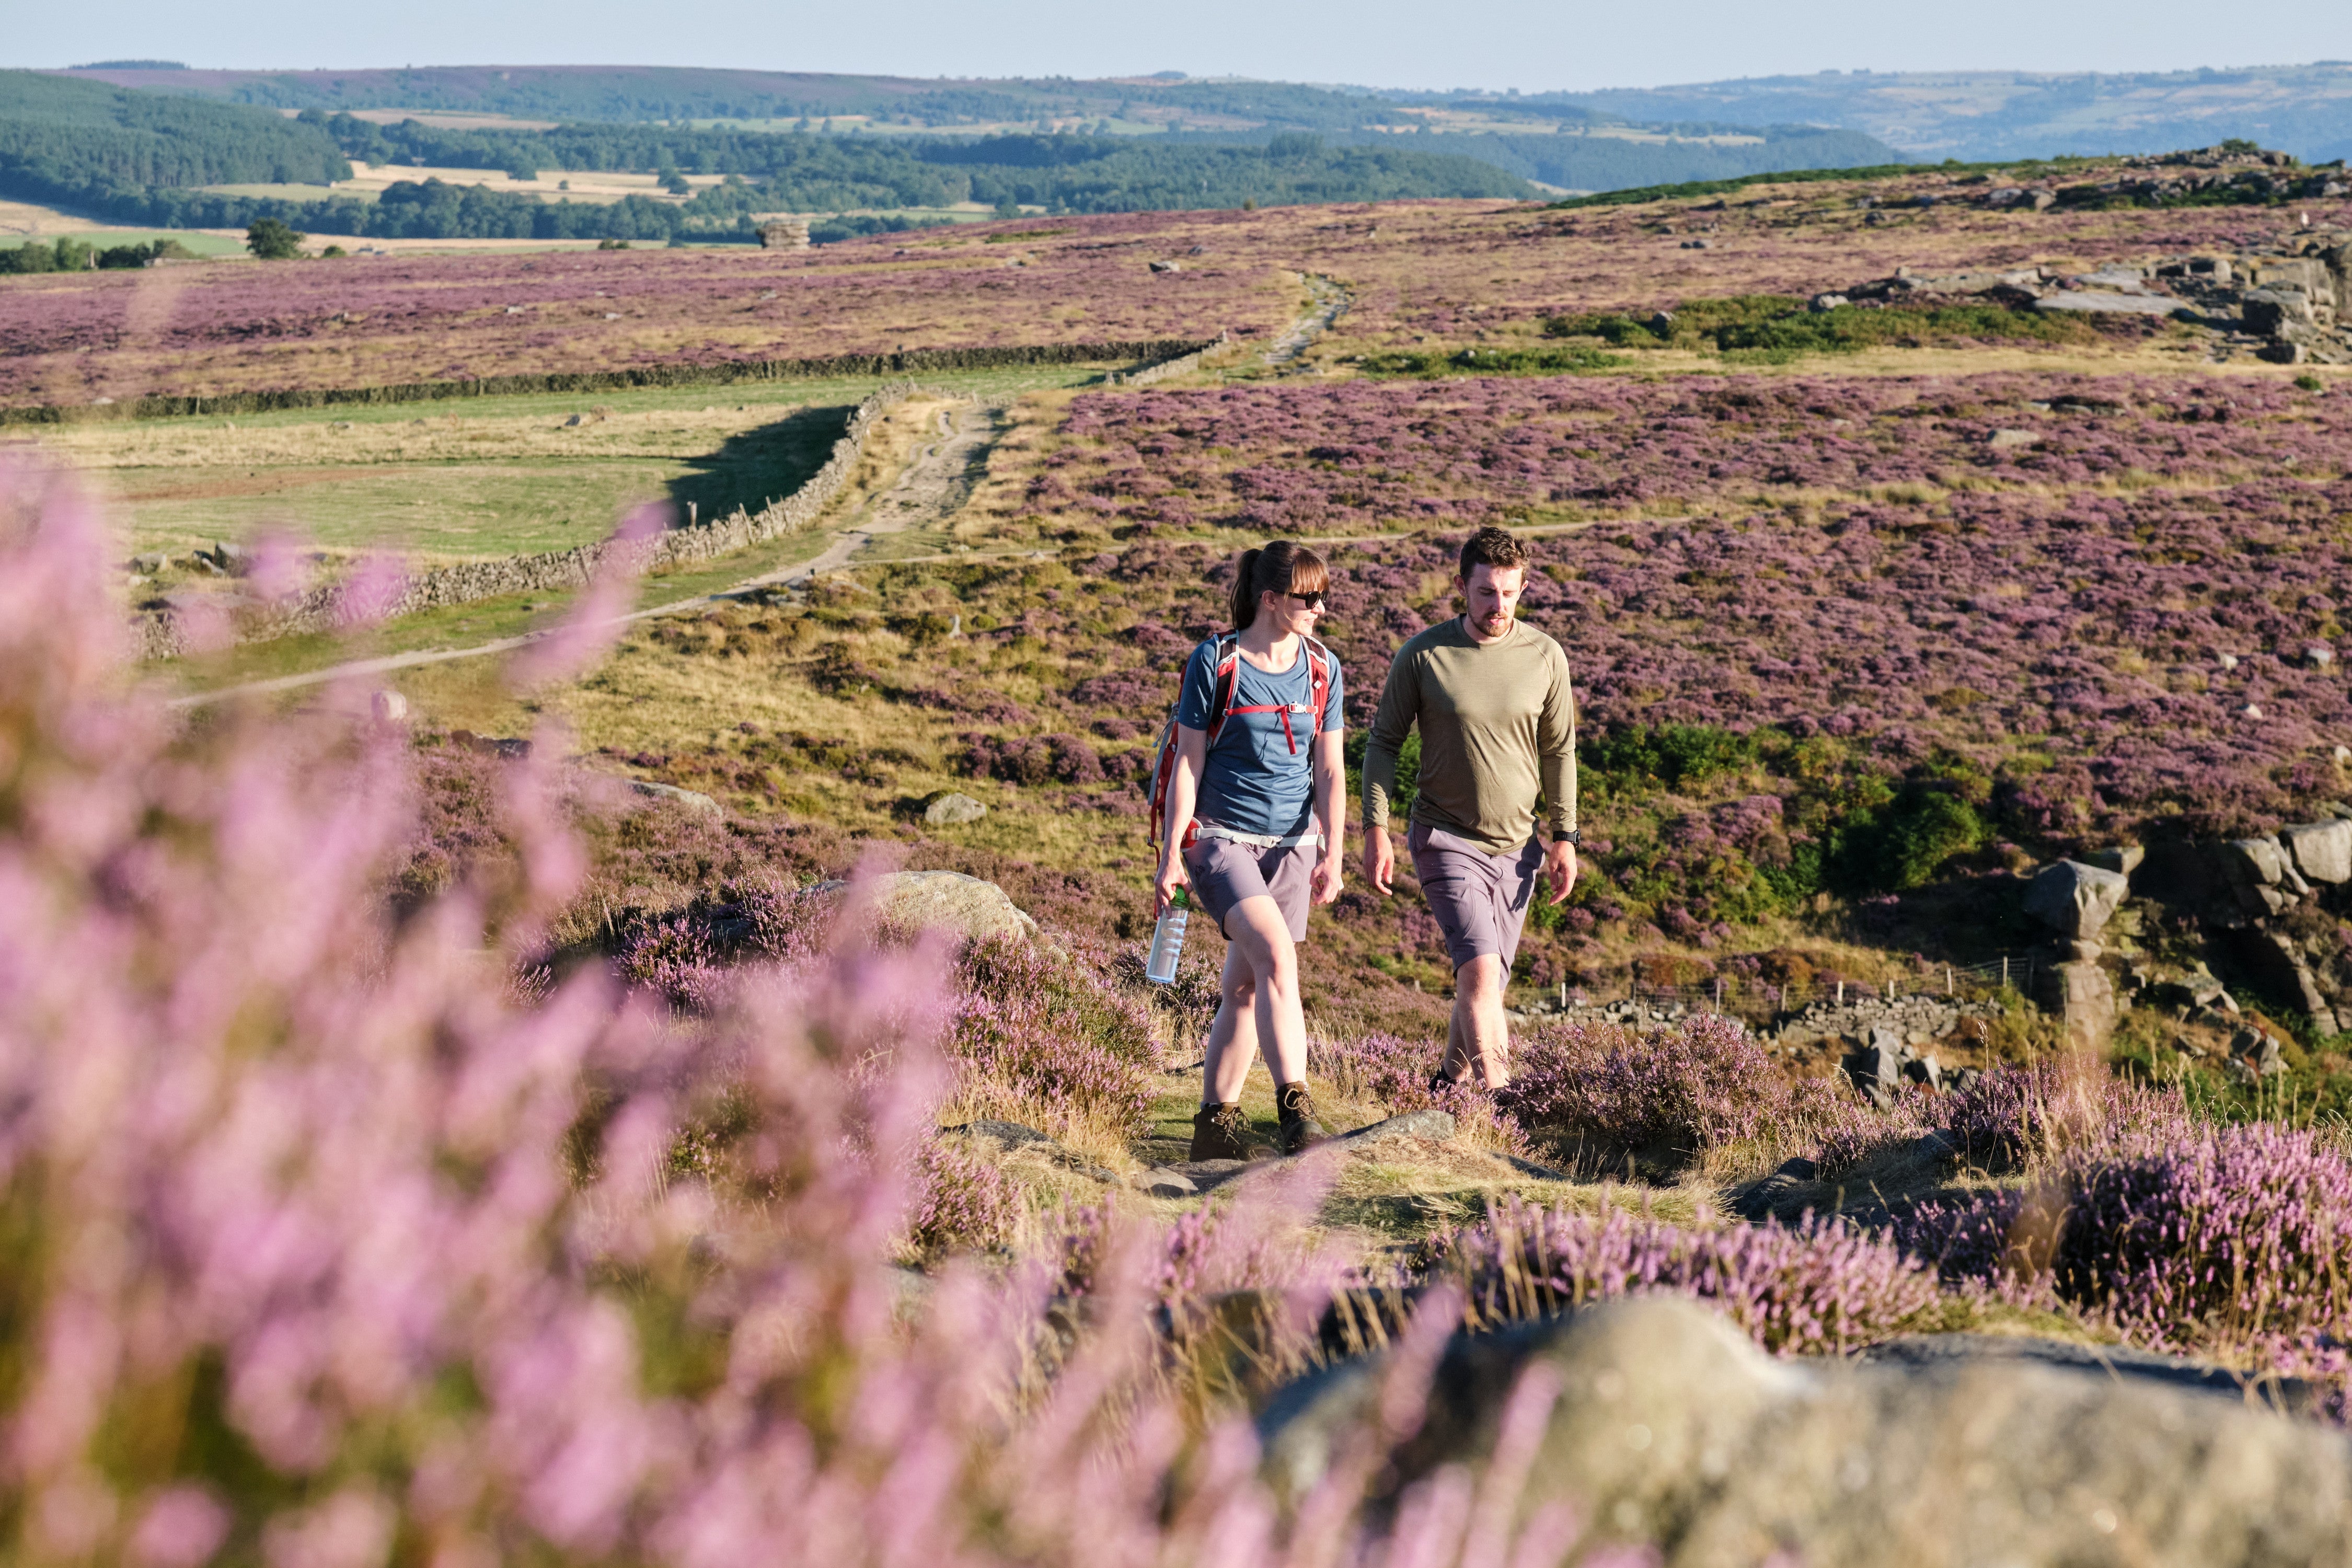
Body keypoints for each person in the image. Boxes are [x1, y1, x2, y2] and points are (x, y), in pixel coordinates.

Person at [1361, 525, 1577, 1090]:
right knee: (1481, 974)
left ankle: (1444, 1087)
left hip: (1520, 848)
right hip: (1445, 838)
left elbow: (1559, 750)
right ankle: (1503, 1109)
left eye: (1509, 593)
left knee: (1485, 987)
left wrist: (1565, 836)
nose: (1497, 606)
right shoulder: (1424, 655)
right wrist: (1375, 829)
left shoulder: (1545, 656)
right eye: (1486, 592)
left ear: (1523, 588)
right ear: (1461, 586)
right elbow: (1383, 742)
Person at [1155, 541, 1346, 1158]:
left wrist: (1333, 853)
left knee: (1244, 986)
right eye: (1308, 597)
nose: (1321, 607)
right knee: (1274, 955)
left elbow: (1332, 771)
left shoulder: (1323, 669)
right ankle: (1297, 1109)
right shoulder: (1216, 661)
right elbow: (1188, 762)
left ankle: (1215, 1124)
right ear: (1270, 600)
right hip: (1219, 839)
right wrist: (1169, 855)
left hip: (1293, 845)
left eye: (1322, 595)